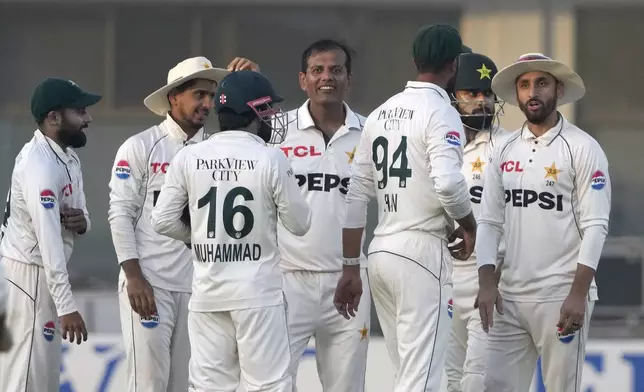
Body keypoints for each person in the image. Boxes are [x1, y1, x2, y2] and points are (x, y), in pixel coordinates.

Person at [334, 24, 477, 392]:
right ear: (454, 65)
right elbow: (447, 182)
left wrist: (351, 266)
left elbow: (355, 195)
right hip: (422, 252)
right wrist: (468, 224)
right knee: (423, 378)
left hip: (381, 251)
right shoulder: (441, 111)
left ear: (415, 61)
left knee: (408, 375)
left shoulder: (382, 112)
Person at [151, 70, 312, 392]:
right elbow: (300, 223)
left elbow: (163, 220)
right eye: (267, 109)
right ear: (252, 111)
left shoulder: (190, 156)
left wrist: (200, 237)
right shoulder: (270, 157)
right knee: (267, 386)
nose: (272, 117)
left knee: (209, 387)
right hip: (258, 294)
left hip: (208, 293)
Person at [108, 56, 259, 392]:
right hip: (150, 284)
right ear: (174, 96)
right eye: (198, 94)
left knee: (185, 385)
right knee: (148, 384)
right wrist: (134, 277)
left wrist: (253, 85)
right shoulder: (141, 147)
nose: (206, 103)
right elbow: (120, 214)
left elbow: (265, 151)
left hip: (200, 289)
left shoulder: (217, 149)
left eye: (211, 96)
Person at [475, 53, 611, 392]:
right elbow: (489, 221)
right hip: (509, 299)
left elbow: (596, 225)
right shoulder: (503, 150)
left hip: (561, 296)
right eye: (524, 85)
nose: (532, 92)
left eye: (541, 83)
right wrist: (486, 281)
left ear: (558, 90)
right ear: (517, 94)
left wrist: (578, 294)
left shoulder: (582, 147)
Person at [275, 39, 371, 392]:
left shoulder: (370, 132)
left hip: (350, 280)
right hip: (285, 279)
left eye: (336, 70)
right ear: (303, 79)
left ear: (349, 79)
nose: (326, 77)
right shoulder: (276, 131)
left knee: (346, 386)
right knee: (274, 383)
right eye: (317, 70)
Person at [0, 77, 98, 391]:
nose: (88, 119)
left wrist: (83, 223)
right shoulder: (39, 165)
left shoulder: (67, 157)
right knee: (23, 379)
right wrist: (67, 305)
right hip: (26, 279)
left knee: (43, 379)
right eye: (80, 111)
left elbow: (81, 214)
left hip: (44, 279)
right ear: (53, 117)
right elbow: (48, 241)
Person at [443, 52, 511, 392]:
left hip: (489, 277)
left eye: (487, 93)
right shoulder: (437, 142)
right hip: (442, 276)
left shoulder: (508, 146)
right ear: (454, 96)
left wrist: (497, 275)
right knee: (447, 379)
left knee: (477, 381)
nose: (482, 101)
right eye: (472, 93)